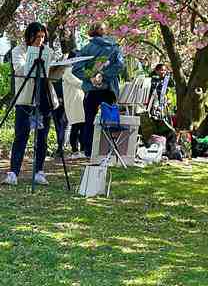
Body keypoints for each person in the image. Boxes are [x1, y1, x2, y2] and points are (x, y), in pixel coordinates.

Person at [3, 22, 60, 186]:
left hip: (44, 97)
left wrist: (55, 68)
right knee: (21, 135)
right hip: (26, 98)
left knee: (42, 136)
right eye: (37, 37)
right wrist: (33, 58)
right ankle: (13, 172)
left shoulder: (48, 51)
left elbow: (54, 70)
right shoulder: (18, 51)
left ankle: (39, 172)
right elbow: (20, 70)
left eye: (43, 37)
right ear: (29, 36)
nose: (40, 40)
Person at [72, 22, 124, 158]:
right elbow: (119, 66)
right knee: (110, 119)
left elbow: (76, 69)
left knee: (88, 120)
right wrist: (104, 75)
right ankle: (111, 150)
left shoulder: (86, 49)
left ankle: (88, 151)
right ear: (105, 31)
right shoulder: (114, 48)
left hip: (91, 89)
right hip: (109, 88)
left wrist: (91, 77)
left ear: (91, 32)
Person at [62, 51, 86, 159]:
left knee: (81, 126)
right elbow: (79, 83)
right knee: (76, 126)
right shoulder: (67, 71)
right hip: (73, 101)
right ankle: (75, 150)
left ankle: (82, 149)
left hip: (80, 100)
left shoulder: (77, 70)